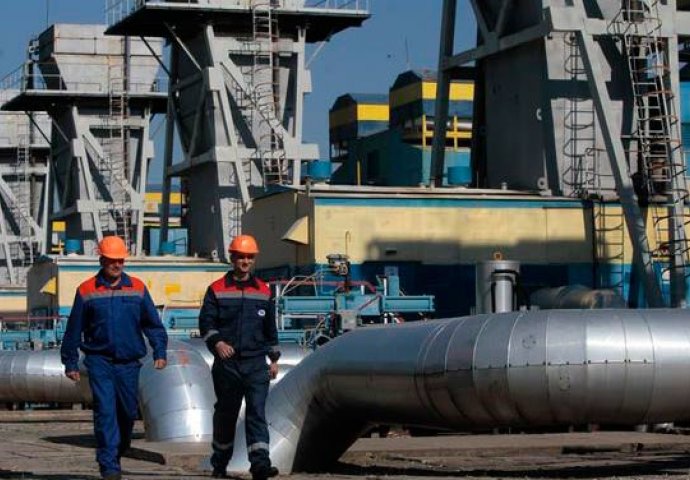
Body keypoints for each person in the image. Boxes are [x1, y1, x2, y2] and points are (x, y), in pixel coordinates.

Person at [60, 235, 168, 480]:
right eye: (111, 260)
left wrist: (159, 351)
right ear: (102, 260)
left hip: (129, 364)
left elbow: (152, 324)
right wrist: (70, 361)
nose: (117, 265)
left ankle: (118, 450)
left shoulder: (137, 288)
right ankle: (108, 466)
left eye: (120, 260)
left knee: (128, 413)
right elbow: (74, 328)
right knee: (105, 412)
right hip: (100, 361)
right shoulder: (86, 290)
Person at [199, 234, 280, 480]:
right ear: (232, 258)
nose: (245, 261)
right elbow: (206, 323)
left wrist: (274, 358)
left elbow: (270, 329)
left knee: (257, 413)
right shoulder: (216, 290)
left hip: (256, 364)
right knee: (226, 414)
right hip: (228, 365)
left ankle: (260, 465)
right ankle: (220, 463)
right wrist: (218, 342)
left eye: (249, 257)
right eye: (241, 257)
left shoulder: (264, 291)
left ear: (254, 259)